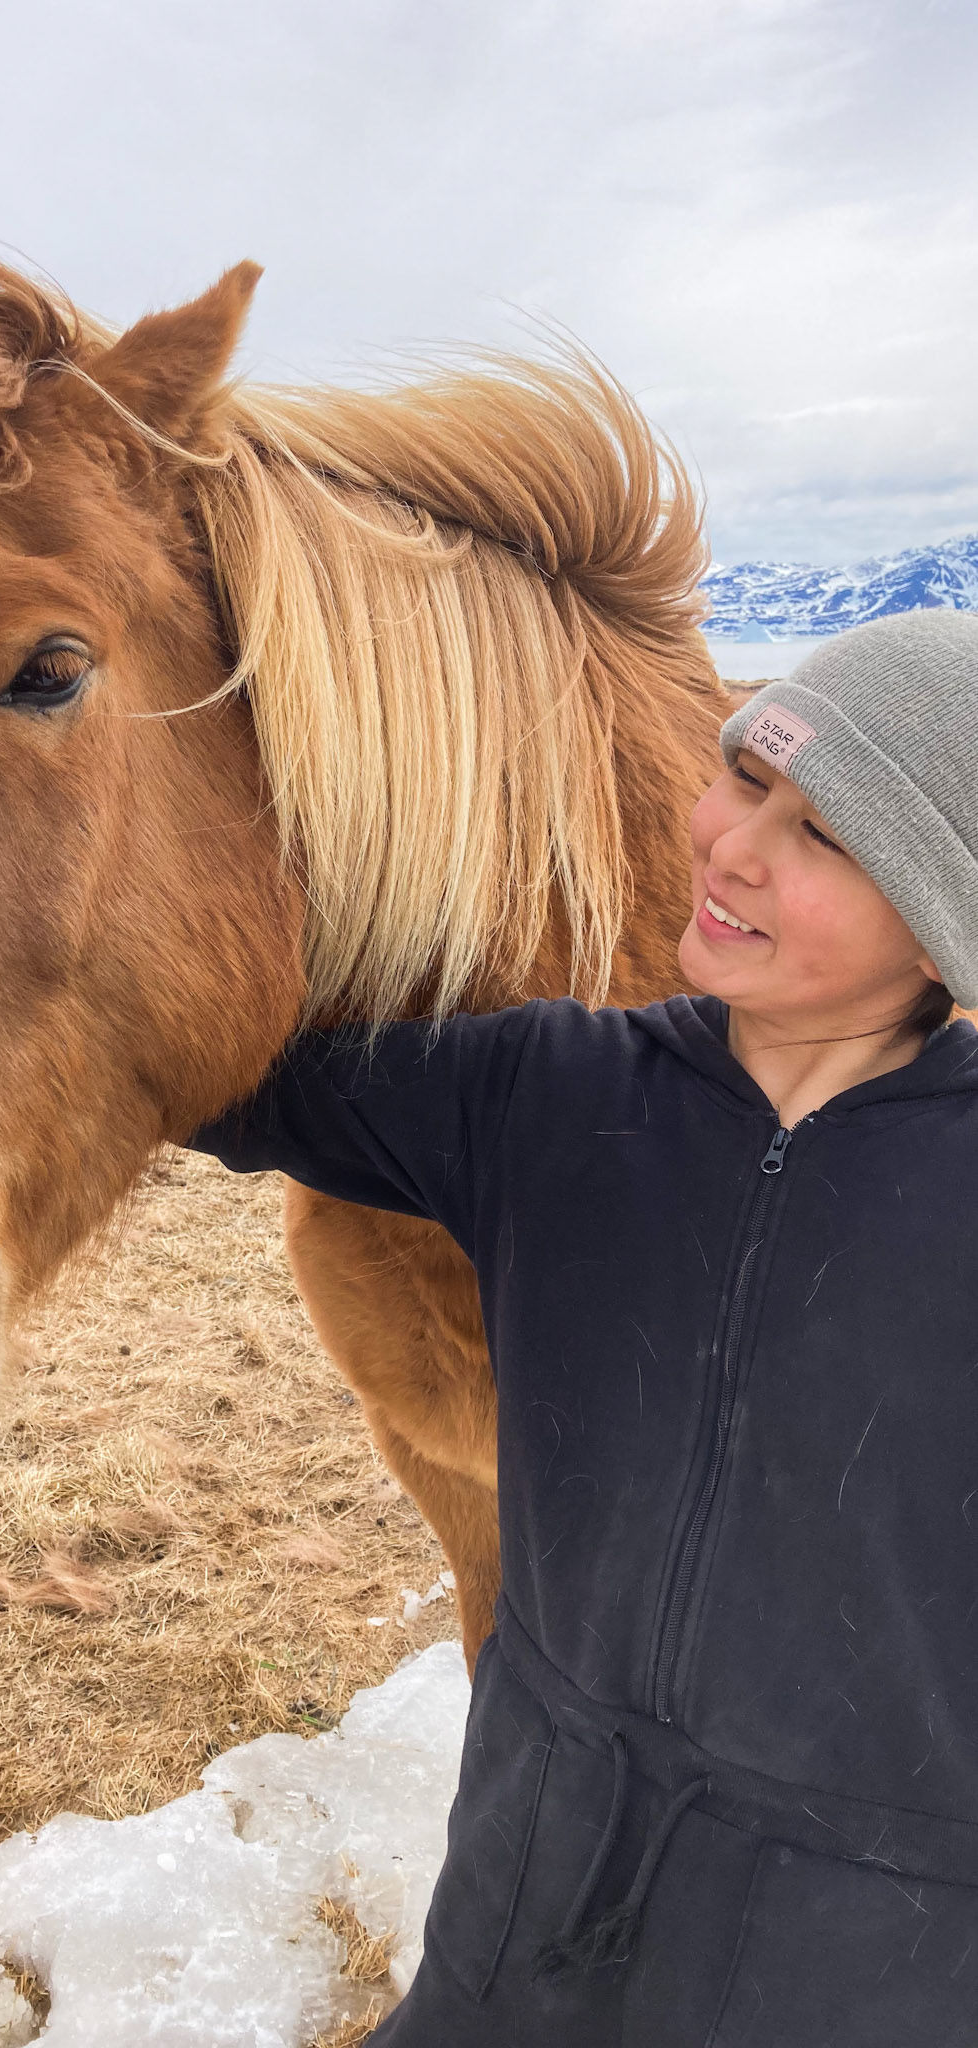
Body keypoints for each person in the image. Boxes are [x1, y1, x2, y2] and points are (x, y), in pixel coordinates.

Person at [187, 611, 978, 2046]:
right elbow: (207, 1070)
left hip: (863, 1966)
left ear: (938, 919)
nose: (733, 847)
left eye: (824, 839)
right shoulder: (542, 1093)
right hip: (517, 1921)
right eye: (745, 780)